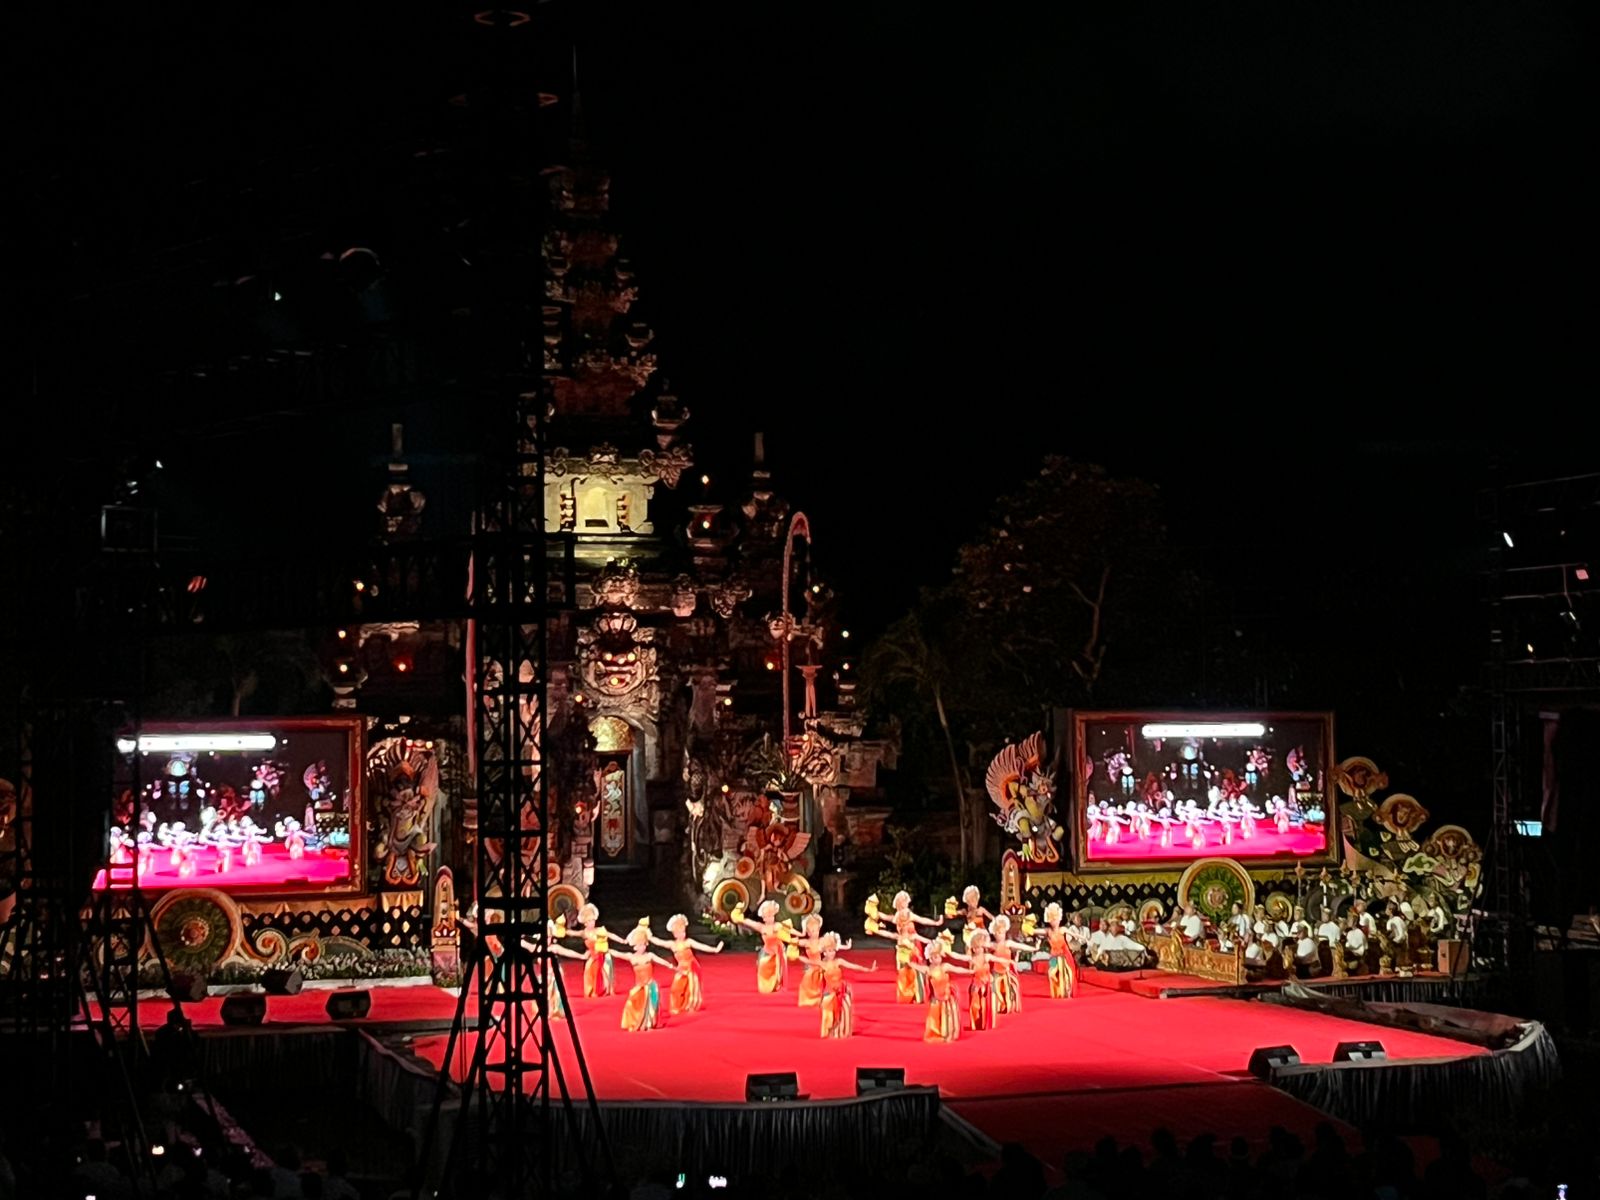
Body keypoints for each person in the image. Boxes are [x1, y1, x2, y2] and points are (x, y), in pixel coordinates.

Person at [647, 913, 723, 1015]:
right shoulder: (672, 944)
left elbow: (701, 946)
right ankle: (676, 1006)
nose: (683, 934)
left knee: (691, 988)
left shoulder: (688, 942)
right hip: (681, 968)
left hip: (691, 967)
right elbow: (659, 942)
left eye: (684, 931)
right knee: (676, 988)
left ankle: (690, 1006)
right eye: (680, 932)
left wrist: (714, 949)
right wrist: (649, 936)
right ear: (675, 934)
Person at [911, 934, 974, 1043]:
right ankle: (937, 1032)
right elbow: (917, 967)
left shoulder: (945, 967)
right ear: (930, 958)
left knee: (948, 1016)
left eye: (939, 956)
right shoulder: (928, 970)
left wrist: (969, 971)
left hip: (947, 996)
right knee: (934, 1016)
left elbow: (957, 969)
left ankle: (949, 1033)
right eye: (935, 957)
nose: (938, 959)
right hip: (936, 998)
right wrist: (909, 961)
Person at [816, 931, 875, 1038]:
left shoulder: (839, 961)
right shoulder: (822, 965)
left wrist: (868, 969)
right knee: (830, 1013)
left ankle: (843, 1031)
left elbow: (853, 966)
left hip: (841, 990)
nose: (832, 953)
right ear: (824, 953)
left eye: (833, 950)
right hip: (830, 992)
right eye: (829, 951)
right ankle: (832, 1031)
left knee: (845, 1009)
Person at [618, 924, 676, 1032]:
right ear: (635, 946)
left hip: (650, 985)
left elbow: (660, 960)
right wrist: (606, 950)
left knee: (652, 1005)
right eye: (639, 945)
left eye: (644, 945)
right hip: (639, 987)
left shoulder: (650, 955)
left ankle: (649, 1024)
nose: (642, 947)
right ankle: (637, 1023)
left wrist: (670, 965)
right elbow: (618, 954)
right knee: (635, 1004)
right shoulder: (631, 957)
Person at [732, 899, 790, 993]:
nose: (770, 918)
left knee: (778, 967)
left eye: (772, 916)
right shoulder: (761, 927)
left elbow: (788, 934)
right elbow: (746, 921)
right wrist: (738, 911)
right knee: (762, 965)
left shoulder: (778, 926)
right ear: (764, 918)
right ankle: (766, 985)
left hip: (778, 951)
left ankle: (777, 984)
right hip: (767, 950)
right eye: (768, 916)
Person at [567, 903, 618, 997]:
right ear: (585, 923)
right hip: (593, 956)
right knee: (589, 969)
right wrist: (561, 930)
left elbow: (611, 935)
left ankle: (607, 989)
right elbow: (572, 933)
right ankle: (593, 990)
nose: (592, 923)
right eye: (589, 921)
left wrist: (622, 940)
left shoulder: (600, 930)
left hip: (603, 955)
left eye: (593, 920)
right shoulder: (584, 933)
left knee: (606, 970)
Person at [988, 914, 1035, 1014]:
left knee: (1009, 988)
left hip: (1007, 972)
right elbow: (980, 944)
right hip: (996, 972)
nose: (1001, 935)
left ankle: (1009, 1004)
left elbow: (1021, 946)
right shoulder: (992, 945)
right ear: (994, 934)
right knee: (996, 990)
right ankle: (999, 1005)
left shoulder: (1008, 943)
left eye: (1003, 933)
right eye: (999, 933)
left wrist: (1033, 949)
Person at [1041, 903, 1078, 999]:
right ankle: (1057, 990)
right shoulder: (1048, 931)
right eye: (1052, 920)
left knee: (1067, 974)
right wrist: (1028, 929)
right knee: (1051, 974)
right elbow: (1035, 931)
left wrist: (1082, 937)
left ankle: (1068, 992)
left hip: (1063, 956)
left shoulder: (1062, 929)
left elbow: (1074, 934)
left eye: (1056, 919)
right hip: (1053, 957)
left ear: (1059, 919)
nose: (1054, 922)